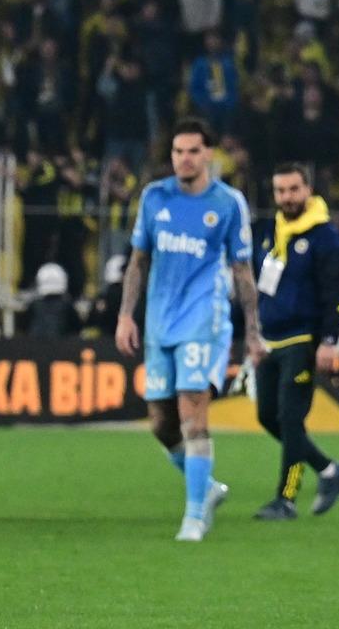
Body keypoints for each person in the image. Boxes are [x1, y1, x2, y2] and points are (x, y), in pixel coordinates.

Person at [116, 118, 265, 541]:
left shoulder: (228, 202)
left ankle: (195, 516)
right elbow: (138, 261)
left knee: (193, 416)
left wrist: (253, 332)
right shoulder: (154, 197)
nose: (184, 158)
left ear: (208, 155)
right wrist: (126, 315)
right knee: (161, 424)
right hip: (159, 322)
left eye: (193, 151)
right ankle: (208, 487)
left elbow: (242, 271)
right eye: (178, 151)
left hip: (204, 319)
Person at [251, 163, 339, 520]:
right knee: (267, 416)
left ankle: (287, 499)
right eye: (280, 191)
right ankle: (329, 470)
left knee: (291, 419)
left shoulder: (325, 237)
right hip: (269, 339)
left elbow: (336, 294)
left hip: (303, 339)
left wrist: (329, 340)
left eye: (294, 189)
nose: (287, 197)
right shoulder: (270, 231)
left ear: (308, 189)